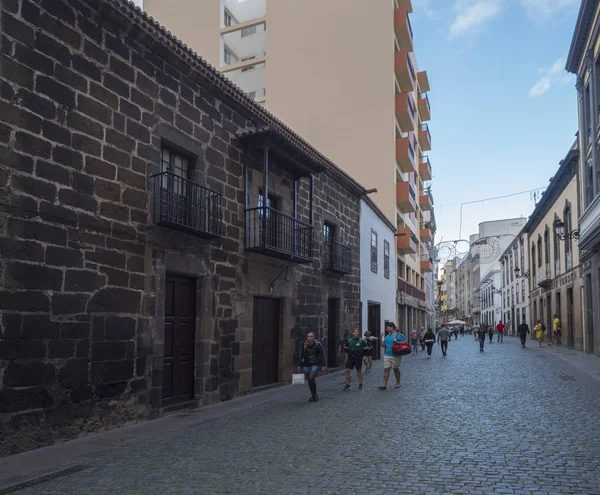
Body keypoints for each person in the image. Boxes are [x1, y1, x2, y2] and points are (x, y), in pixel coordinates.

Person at [298, 332, 326, 402]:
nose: (310, 337)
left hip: (315, 363)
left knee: (311, 378)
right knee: (310, 381)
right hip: (306, 364)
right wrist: (300, 365)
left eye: (311, 336)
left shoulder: (318, 344)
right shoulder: (304, 345)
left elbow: (322, 355)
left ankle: (315, 395)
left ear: (314, 337)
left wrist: (323, 365)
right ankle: (313, 395)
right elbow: (302, 355)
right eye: (308, 336)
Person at [379, 322, 405, 390]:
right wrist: (381, 338)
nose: (386, 329)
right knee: (386, 369)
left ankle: (398, 383)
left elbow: (406, 342)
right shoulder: (387, 336)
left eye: (387, 328)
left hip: (396, 355)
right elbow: (383, 345)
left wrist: (398, 342)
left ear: (391, 327)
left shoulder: (399, 335)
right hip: (387, 355)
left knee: (396, 369)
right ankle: (384, 385)